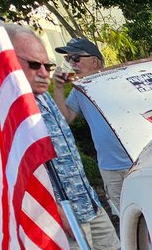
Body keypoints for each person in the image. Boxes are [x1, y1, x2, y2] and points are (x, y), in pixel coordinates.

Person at [0, 25, 123, 250]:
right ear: (9, 62)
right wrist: (54, 209)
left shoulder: (43, 97)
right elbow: (10, 166)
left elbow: (67, 136)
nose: (44, 72)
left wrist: (89, 194)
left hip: (85, 197)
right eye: (34, 65)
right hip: (58, 205)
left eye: (47, 65)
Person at [53, 36, 132, 215]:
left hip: (137, 161)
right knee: (127, 218)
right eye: (68, 59)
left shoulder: (118, 80)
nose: (72, 63)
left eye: (76, 58)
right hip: (109, 168)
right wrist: (57, 87)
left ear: (94, 61)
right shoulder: (79, 89)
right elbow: (65, 118)